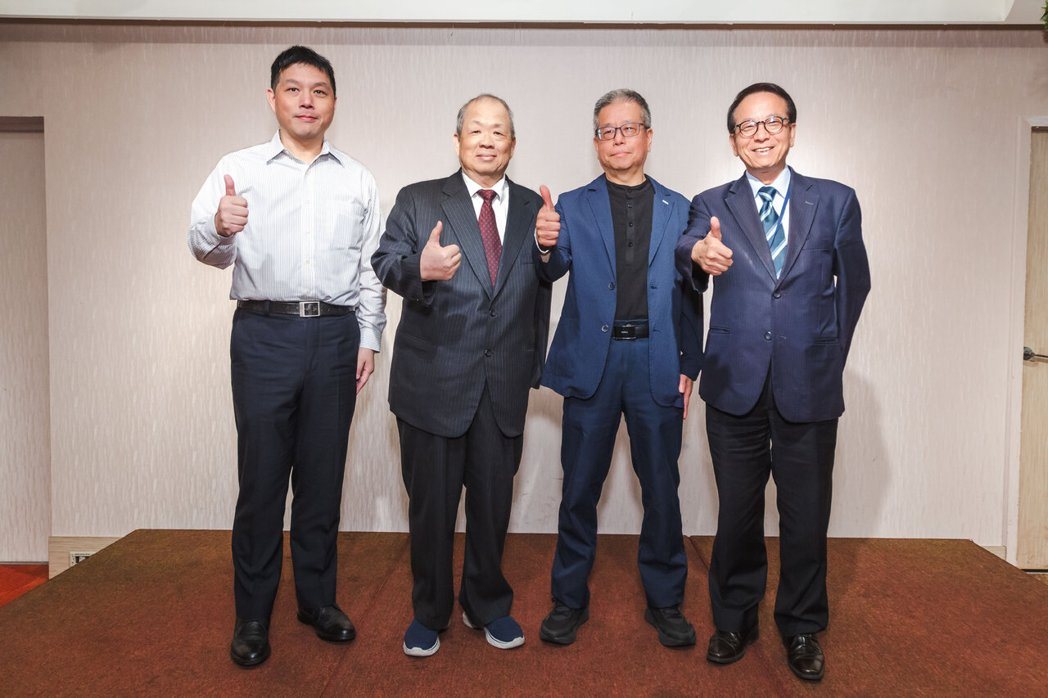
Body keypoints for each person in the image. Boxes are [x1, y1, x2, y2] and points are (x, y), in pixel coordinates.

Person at [188, 45, 386, 668]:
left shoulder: (357, 178)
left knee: (323, 479)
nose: (306, 101)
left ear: (333, 102)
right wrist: (219, 226)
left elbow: (371, 269)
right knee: (263, 481)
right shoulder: (238, 168)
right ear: (272, 98)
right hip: (263, 334)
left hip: (335, 335)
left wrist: (369, 337)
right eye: (294, 89)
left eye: (319, 91)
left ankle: (317, 602)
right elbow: (203, 246)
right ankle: (252, 615)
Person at [676, 82, 870, 681]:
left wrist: (827, 356)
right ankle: (734, 619)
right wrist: (697, 256)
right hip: (734, 382)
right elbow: (687, 250)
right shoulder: (712, 202)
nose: (760, 134)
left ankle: (803, 626)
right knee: (736, 512)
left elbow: (855, 284)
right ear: (733, 139)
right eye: (747, 125)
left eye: (772, 122)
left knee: (806, 515)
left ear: (791, 131)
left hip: (808, 384)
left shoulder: (834, 200)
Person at [372, 94, 552, 658]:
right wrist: (419, 270)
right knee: (431, 509)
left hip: (503, 384)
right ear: (457, 140)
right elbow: (384, 261)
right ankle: (430, 611)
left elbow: (544, 281)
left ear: (512, 144)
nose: (487, 140)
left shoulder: (533, 207)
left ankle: (487, 604)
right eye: (476, 129)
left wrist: (551, 250)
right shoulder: (420, 198)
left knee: (493, 507)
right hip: (433, 384)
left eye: (499, 131)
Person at [532, 89, 703, 648]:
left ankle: (666, 601)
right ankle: (568, 600)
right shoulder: (572, 205)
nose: (618, 139)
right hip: (594, 364)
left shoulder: (681, 207)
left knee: (662, 489)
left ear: (648, 137)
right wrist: (543, 244)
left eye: (629, 128)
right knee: (579, 488)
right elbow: (551, 269)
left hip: (657, 361)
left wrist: (689, 362)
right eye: (607, 130)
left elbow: (690, 290)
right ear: (596, 142)